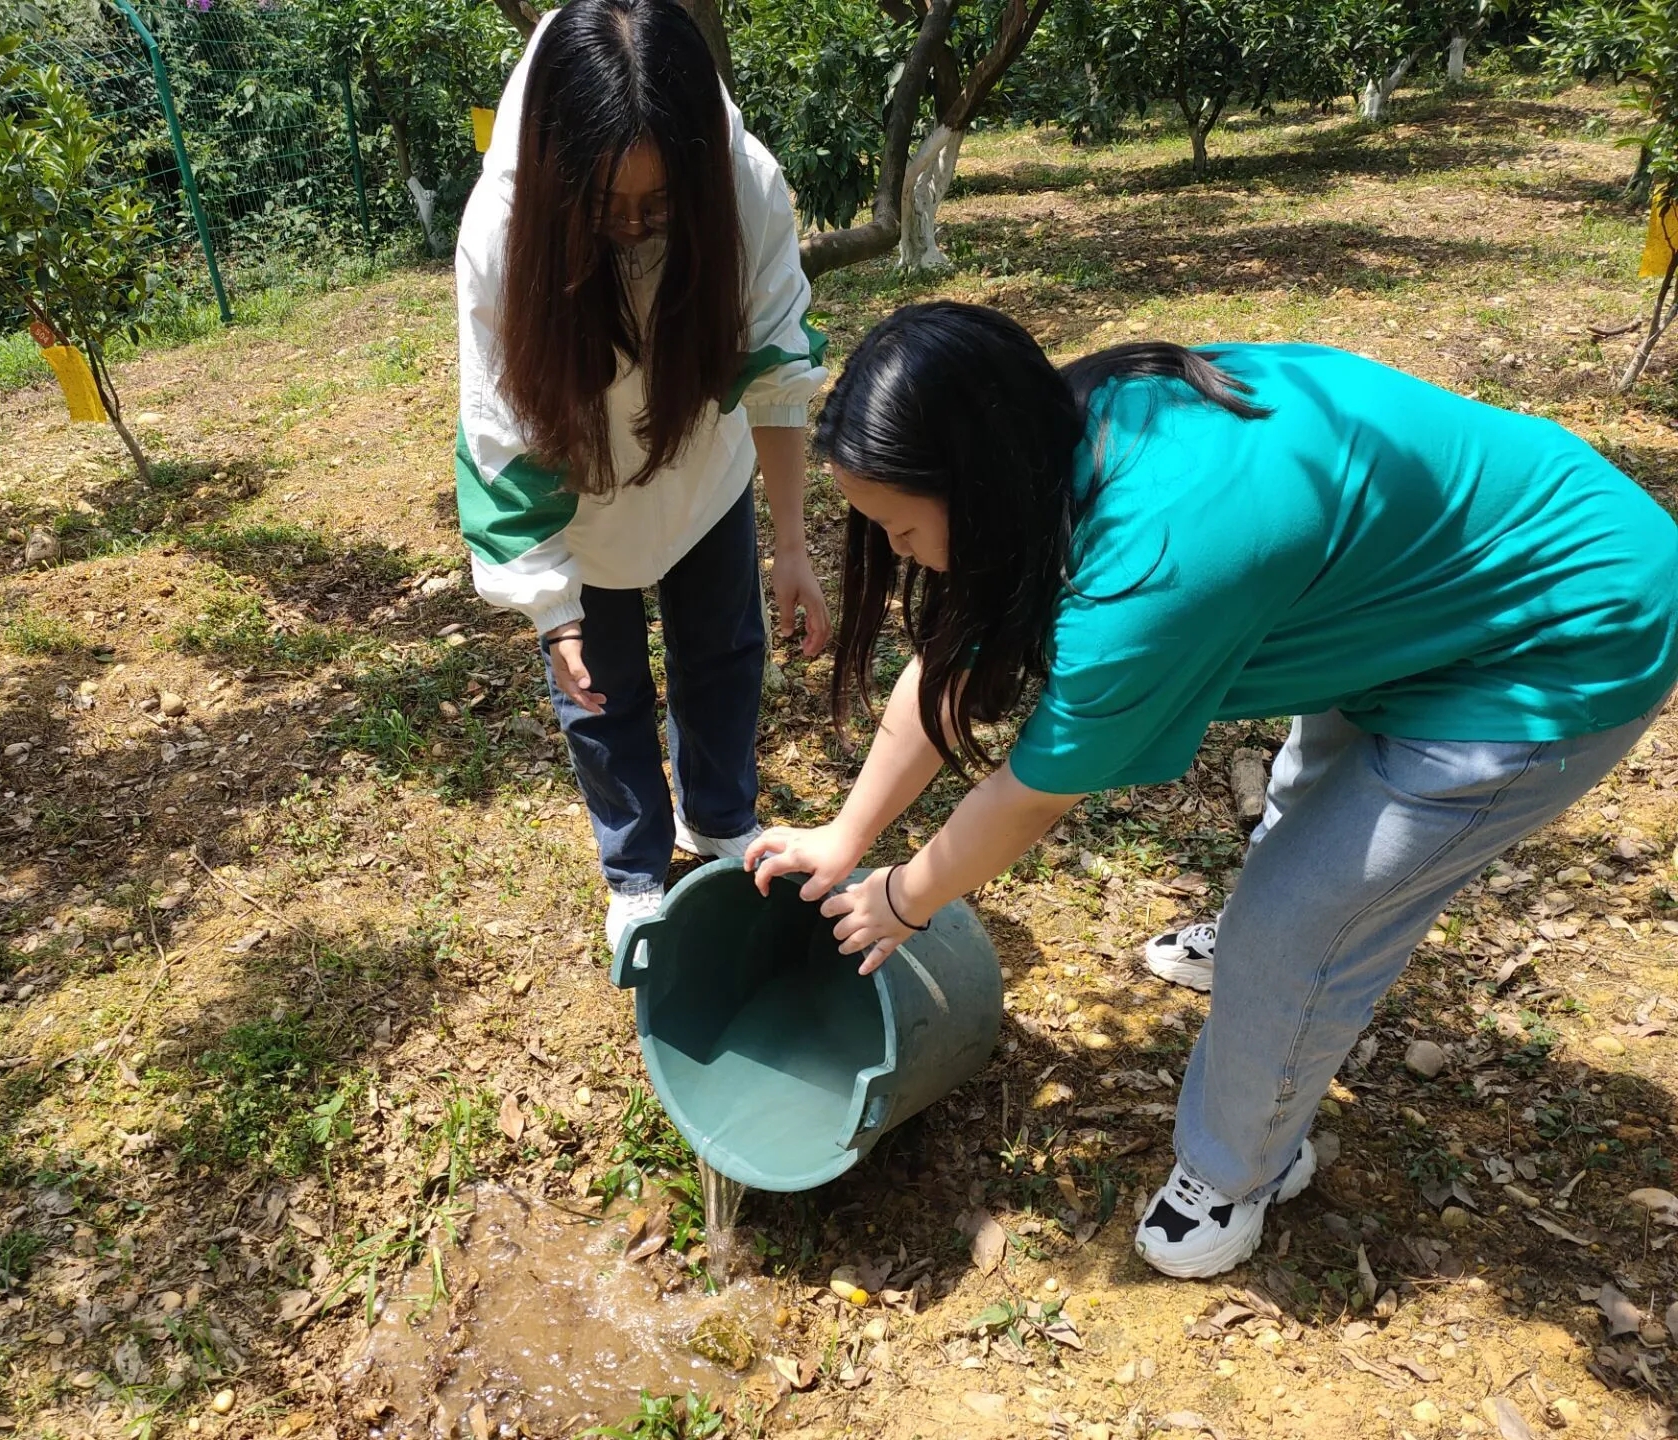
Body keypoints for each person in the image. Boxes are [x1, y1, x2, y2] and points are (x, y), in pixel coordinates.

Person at [745, 302, 1678, 1279]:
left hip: (1562, 630)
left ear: (975, 485)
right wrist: (846, 834)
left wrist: (902, 899)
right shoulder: (1071, 430)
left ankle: (1243, 1168)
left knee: (1299, 928)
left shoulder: (1155, 569)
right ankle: (1262, 972)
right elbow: (950, 658)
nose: (897, 554)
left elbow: (1030, 794)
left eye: (901, 528)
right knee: (1308, 799)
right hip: (1414, 594)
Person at [455, 0, 829, 951]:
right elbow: (501, 428)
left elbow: (779, 369)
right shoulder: (502, 230)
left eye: (659, 206)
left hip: (702, 470)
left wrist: (790, 542)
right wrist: (553, 609)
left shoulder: (747, 186)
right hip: (578, 492)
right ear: (557, 177)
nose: (633, 228)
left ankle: (718, 820)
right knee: (599, 688)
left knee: (723, 653)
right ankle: (632, 868)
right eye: (608, 207)